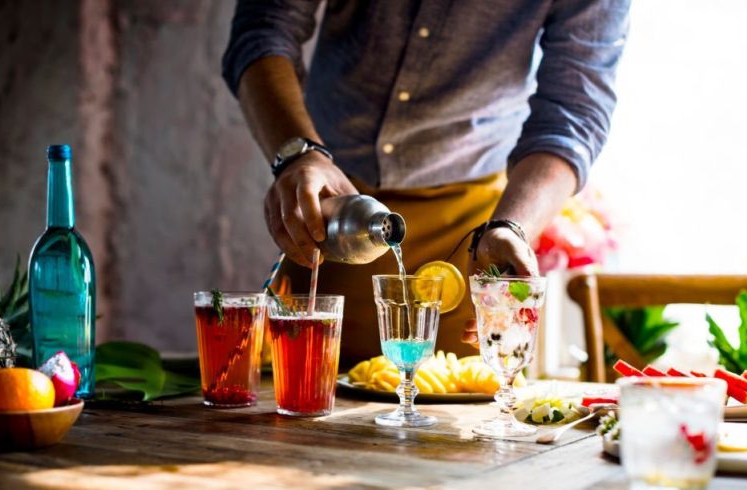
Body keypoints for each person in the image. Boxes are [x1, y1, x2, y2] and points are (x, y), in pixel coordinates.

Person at [223, 0, 631, 365]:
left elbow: (573, 114)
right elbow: (264, 27)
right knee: (302, 411)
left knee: (459, 432)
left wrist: (510, 227)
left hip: (473, 235)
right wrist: (297, 155)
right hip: (333, 213)